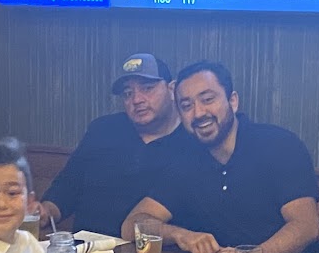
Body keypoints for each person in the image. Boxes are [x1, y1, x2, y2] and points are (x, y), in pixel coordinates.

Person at [123, 61, 319, 253]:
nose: (198, 113)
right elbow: (131, 225)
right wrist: (179, 235)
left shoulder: (278, 145)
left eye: (208, 99)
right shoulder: (184, 158)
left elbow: (305, 225)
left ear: (232, 101)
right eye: (187, 106)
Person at [38, 53, 204, 236]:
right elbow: (67, 187)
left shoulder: (194, 141)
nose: (137, 100)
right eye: (127, 93)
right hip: (87, 247)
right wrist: (45, 211)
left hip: (156, 250)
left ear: (172, 90)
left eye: (147, 88)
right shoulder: (103, 129)